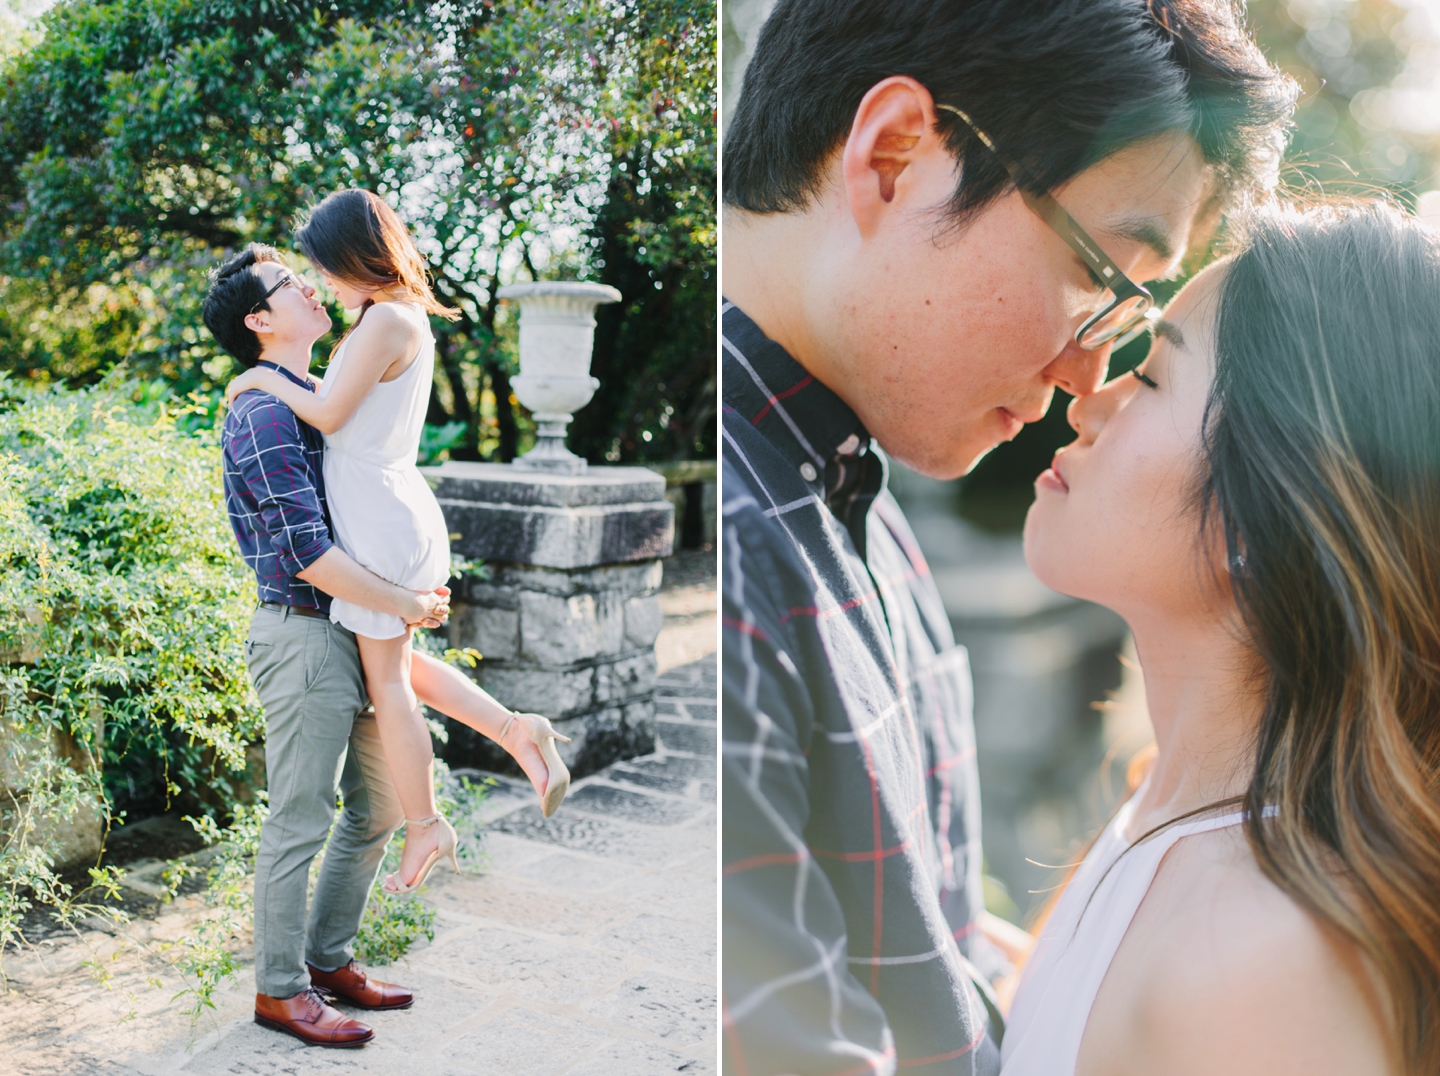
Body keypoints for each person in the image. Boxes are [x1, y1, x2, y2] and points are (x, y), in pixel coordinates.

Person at [720, 1, 1295, 1072]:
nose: (1090, 371)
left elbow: (917, 968)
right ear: (895, 157)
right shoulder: (739, 556)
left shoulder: (853, 498)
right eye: (1104, 279)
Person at [1008, 199, 1440, 1075]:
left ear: (1268, 513)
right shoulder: (1167, 818)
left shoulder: (1255, 967)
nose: (1089, 400)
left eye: (1154, 379)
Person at [203, 235, 557, 1048]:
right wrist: (405, 600)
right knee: (300, 817)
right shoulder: (261, 411)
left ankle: (329, 962)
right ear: (261, 318)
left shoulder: (310, 389)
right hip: (301, 632)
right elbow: (309, 554)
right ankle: (281, 992)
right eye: (292, 285)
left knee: (383, 804)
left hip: (347, 625)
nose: (310, 290)